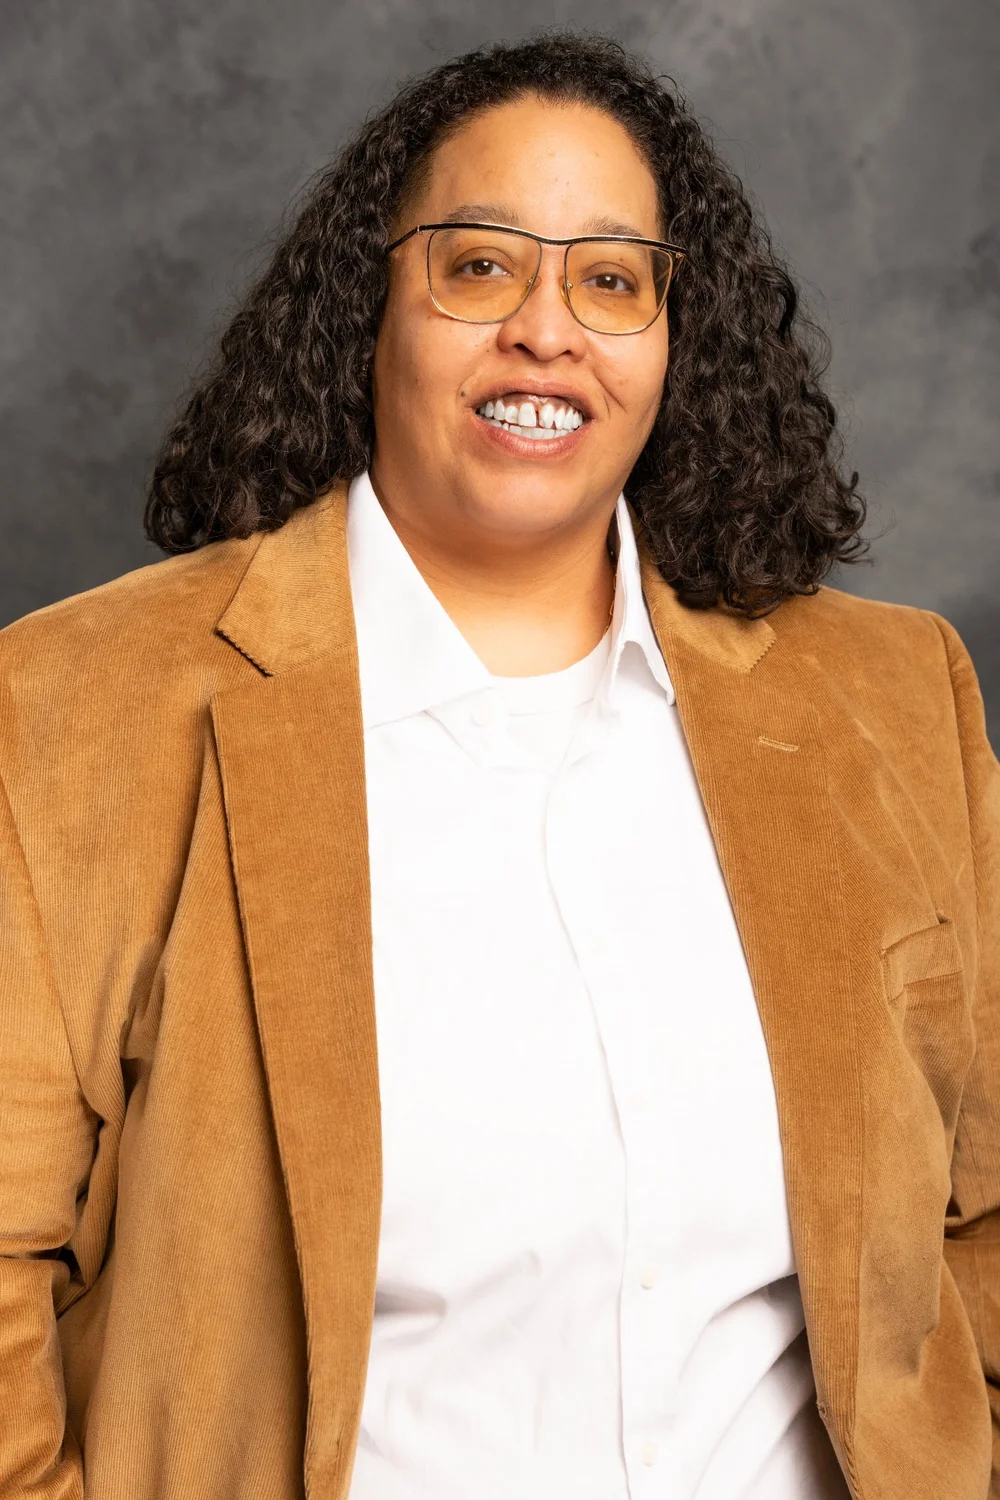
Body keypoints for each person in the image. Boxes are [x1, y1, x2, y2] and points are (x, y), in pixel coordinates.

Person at [0, 29, 996, 1500]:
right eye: (479, 266)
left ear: (677, 340)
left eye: (613, 280)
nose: (547, 330)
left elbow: (983, 1213)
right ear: (367, 308)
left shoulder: (894, 696)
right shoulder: (78, 706)